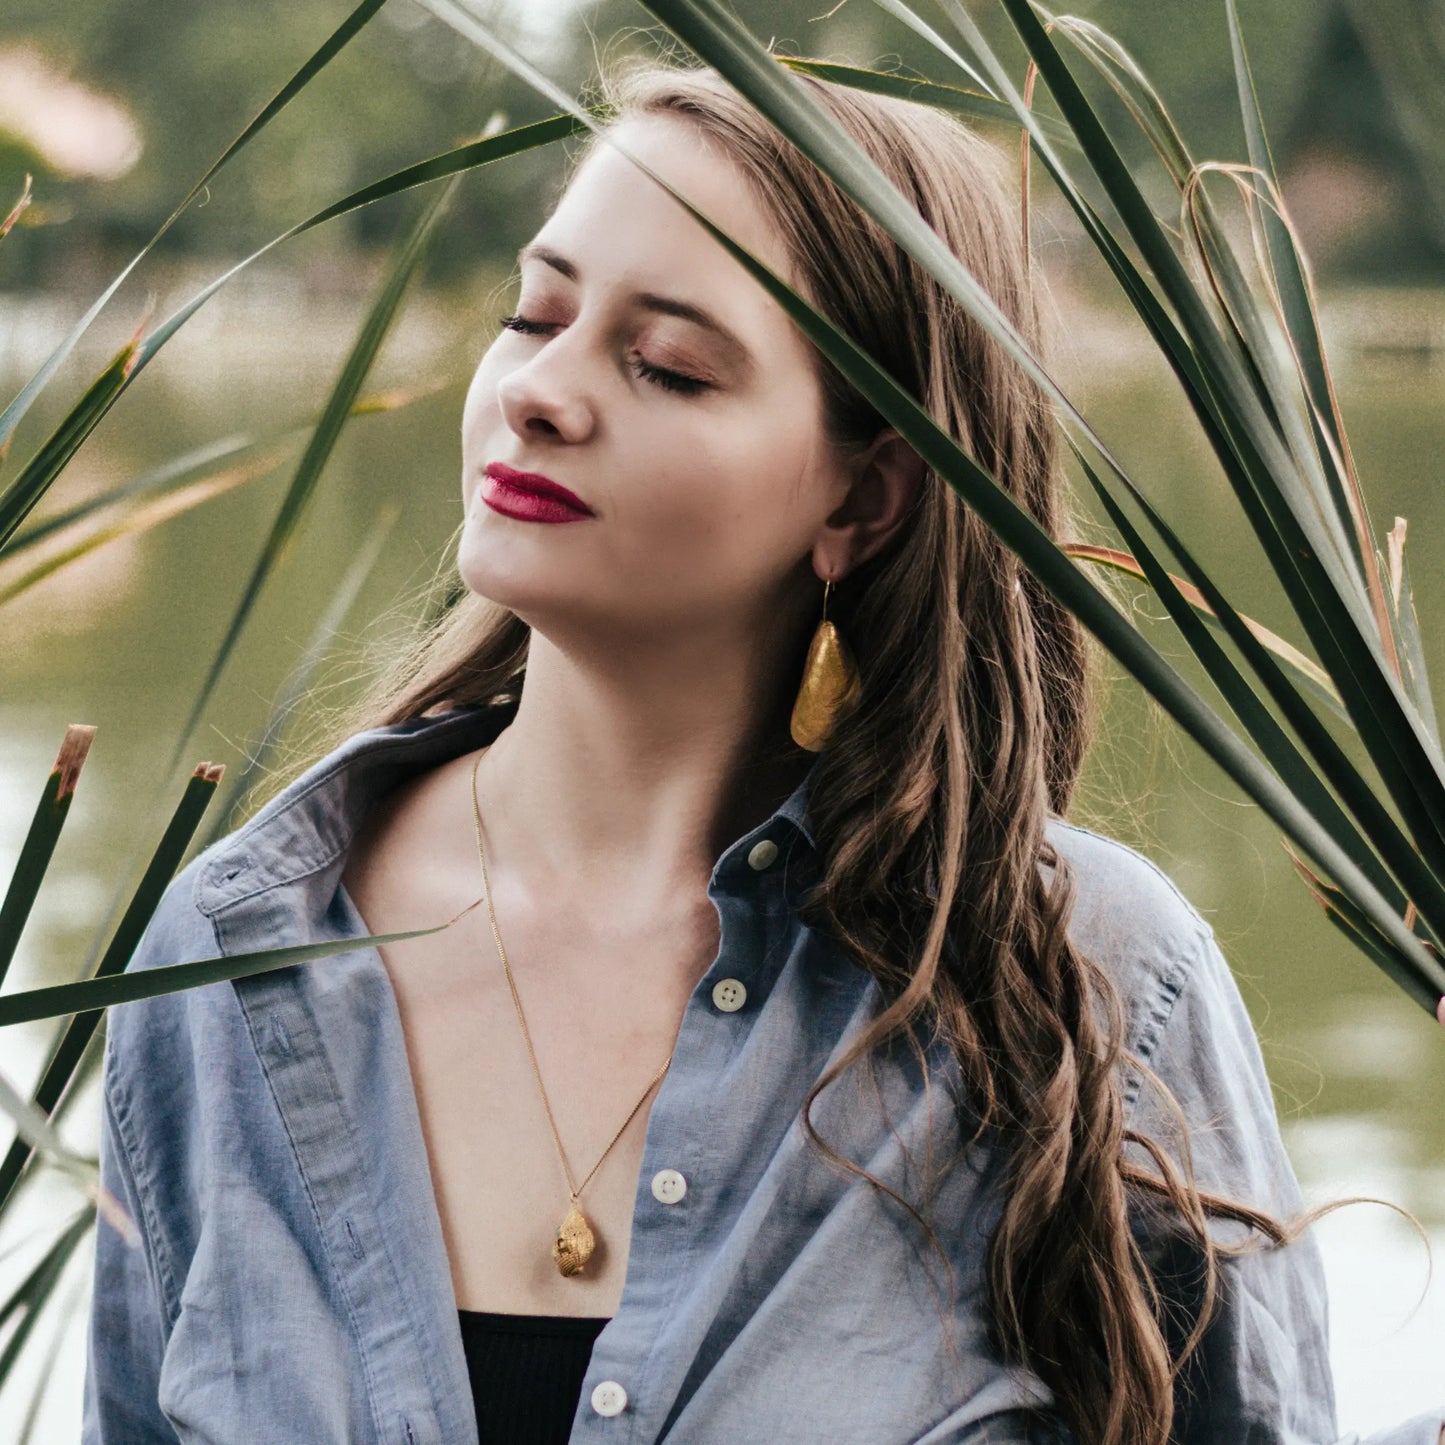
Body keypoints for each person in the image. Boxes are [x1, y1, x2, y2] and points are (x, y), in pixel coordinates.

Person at [81, 54, 1445, 1445]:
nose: (541, 391)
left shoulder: (1087, 993)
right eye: (533, 312)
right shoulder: (229, 962)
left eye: (665, 364)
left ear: (863, 495)